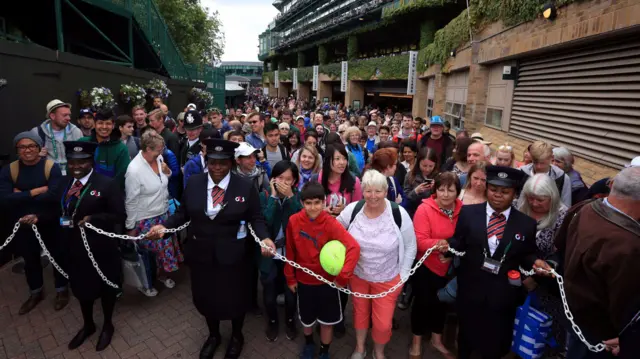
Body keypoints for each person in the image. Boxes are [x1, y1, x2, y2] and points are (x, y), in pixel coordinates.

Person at [146, 139, 276, 359]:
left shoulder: (244, 186)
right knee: (207, 297)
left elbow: (256, 217)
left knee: (235, 298)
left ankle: (236, 335)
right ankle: (214, 335)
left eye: (222, 163)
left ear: (231, 163)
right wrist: (164, 226)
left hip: (234, 257)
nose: (217, 168)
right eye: (213, 162)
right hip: (202, 256)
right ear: (207, 161)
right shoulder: (195, 183)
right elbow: (183, 214)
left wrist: (265, 239)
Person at [441, 165, 554, 359]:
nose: (498, 195)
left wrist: (536, 262)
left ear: (514, 193)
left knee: (495, 341)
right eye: (493, 189)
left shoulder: (526, 224)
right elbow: (458, 241)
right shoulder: (469, 213)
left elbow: (527, 254)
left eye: (505, 191)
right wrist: (447, 247)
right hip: (471, 288)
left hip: (503, 293)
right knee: (467, 336)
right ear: (487, 188)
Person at [556, 166, 640, 359]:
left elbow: (559, 245)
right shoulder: (629, 246)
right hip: (605, 338)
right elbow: (625, 304)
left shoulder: (583, 207)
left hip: (576, 317)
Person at [50, 141, 125, 352]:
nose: (76, 166)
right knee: (82, 289)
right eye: (72, 161)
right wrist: (36, 217)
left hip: (100, 248)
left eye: (82, 161)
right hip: (73, 248)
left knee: (106, 287)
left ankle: (108, 324)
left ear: (91, 161)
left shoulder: (106, 184)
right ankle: (89, 325)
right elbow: (55, 209)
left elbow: (119, 215)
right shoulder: (64, 183)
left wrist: (94, 218)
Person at [337, 170, 416, 359]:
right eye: (368, 191)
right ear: (362, 191)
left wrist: (403, 276)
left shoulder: (398, 214)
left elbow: (411, 245)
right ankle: (360, 347)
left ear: (386, 191)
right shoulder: (353, 210)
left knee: (383, 324)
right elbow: (336, 231)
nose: (373, 196)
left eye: (378, 191)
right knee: (360, 314)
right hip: (358, 276)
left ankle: (378, 352)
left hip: (388, 278)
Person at [285, 181, 361, 359]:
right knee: (307, 319)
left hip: (328, 282)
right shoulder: (293, 221)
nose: (313, 207)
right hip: (304, 281)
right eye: (308, 203)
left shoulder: (330, 223)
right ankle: (309, 343)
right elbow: (290, 251)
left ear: (324, 202)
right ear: (302, 203)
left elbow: (353, 247)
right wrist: (290, 278)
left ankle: (324, 351)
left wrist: (342, 277)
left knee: (327, 322)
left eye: (317, 202)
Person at [0, 132, 68, 314]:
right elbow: (4, 199)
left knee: (57, 256)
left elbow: (54, 196)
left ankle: (62, 290)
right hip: (23, 224)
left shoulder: (50, 167)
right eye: (22, 147)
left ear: (39, 148)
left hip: (48, 221)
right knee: (30, 260)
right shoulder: (9, 170)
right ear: (17, 150)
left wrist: (19, 195)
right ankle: (35, 292)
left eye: (32, 146)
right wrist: (35, 192)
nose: (27, 150)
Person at [410, 172, 462, 359]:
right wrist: (443, 245)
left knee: (442, 305)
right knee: (422, 304)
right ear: (435, 190)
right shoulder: (424, 209)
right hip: (426, 267)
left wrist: (450, 252)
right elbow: (420, 240)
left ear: (458, 192)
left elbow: (463, 239)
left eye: (451, 190)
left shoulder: (463, 211)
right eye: (441, 189)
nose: (446, 194)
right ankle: (416, 341)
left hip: (448, 269)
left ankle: (436, 339)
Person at [125, 131, 182, 296]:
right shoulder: (134, 170)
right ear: (147, 149)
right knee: (150, 256)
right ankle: (146, 283)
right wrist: (131, 226)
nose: (162, 152)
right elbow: (131, 201)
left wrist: (167, 171)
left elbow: (166, 180)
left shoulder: (159, 158)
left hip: (164, 213)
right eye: (158, 149)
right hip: (146, 218)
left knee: (164, 251)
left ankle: (162, 276)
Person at [259, 160, 302, 342]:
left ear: (294, 182)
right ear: (272, 179)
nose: (283, 183)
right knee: (269, 292)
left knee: (291, 294)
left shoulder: (298, 197)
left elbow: (301, 221)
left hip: (290, 256)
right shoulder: (264, 196)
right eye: (279, 178)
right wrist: (274, 198)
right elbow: (264, 221)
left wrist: (291, 197)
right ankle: (273, 321)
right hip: (270, 254)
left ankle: (290, 321)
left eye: (288, 179)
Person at [79, 109, 131, 190]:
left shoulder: (121, 148)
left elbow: (121, 178)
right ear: (94, 124)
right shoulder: (83, 143)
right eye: (100, 123)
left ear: (113, 125)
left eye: (108, 123)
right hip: (82, 193)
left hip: (108, 195)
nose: (104, 127)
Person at [31, 99, 84, 176]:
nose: (68, 118)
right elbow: (24, 158)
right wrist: (36, 155)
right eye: (64, 115)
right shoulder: (37, 132)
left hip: (71, 174)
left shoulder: (76, 131)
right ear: (52, 116)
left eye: (69, 115)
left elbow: (83, 156)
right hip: (48, 175)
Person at [519, 140, 572, 207]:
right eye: (535, 162)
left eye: (542, 163)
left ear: (552, 158)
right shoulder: (521, 172)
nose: (539, 166)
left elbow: (566, 207)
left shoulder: (562, 178)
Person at [403, 147, 439, 218]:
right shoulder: (410, 176)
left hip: (433, 215)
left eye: (431, 166)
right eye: (424, 166)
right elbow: (405, 199)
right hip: (414, 214)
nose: (427, 169)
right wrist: (416, 191)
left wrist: (435, 189)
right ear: (418, 162)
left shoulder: (438, 177)